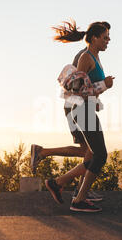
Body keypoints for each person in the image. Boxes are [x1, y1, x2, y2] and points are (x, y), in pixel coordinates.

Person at [33, 20, 114, 212]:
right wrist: (104, 85)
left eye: (109, 37)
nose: (108, 40)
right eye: (105, 37)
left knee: (94, 154)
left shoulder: (94, 57)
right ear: (94, 38)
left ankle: (64, 186)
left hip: (85, 109)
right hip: (80, 109)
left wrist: (102, 86)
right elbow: (78, 89)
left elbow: (87, 89)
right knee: (99, 155)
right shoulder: (86, 58)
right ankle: (79, 199)